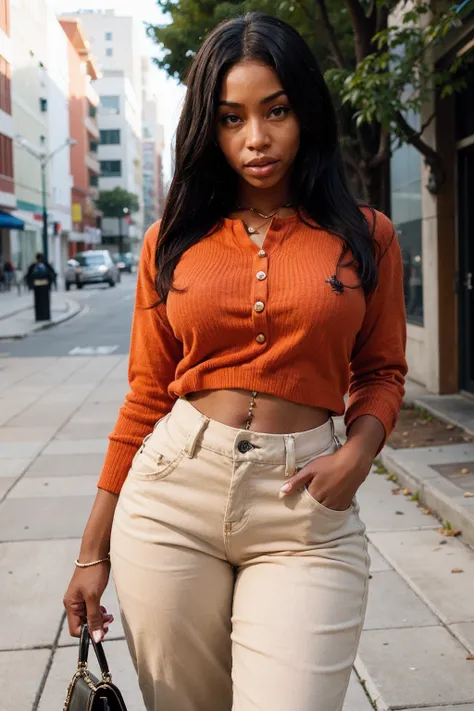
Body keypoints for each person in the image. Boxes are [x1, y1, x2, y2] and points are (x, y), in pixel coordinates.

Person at [63, 12, 407, 711]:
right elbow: (145, 395)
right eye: (231, 117)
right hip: (170, 497)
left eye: (275, 110)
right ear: (208, 128)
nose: (256, 138)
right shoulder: (172, 241)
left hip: (304, 509)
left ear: (304, 110)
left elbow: (382, 371)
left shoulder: (366, 236)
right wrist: (91, 550)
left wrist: (358, 455)